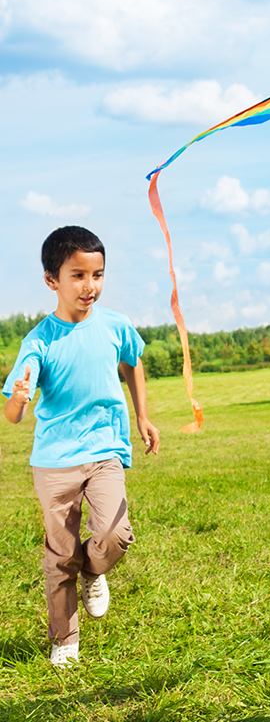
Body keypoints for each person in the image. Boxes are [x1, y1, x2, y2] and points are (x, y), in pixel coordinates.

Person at [3, 226, 160, 667]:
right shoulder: (38, 341)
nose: (89, 286)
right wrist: (17, 400)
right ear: (53, 280)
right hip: (53, 462)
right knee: (60, 553)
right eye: (78, 275)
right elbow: (14, 414)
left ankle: (94, 570)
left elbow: (133, 362)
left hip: (105, 450)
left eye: (98, 274)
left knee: (114, 533)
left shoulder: (115, 325)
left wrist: (143, 416)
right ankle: (64, 639)